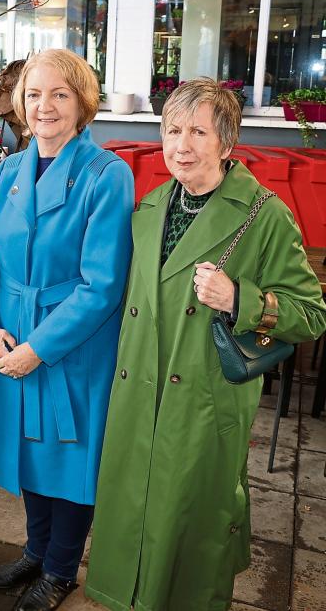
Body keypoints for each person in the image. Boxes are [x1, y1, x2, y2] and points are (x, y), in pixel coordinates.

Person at [85, 78, 326, 611]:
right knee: (132, 522)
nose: (182, 144)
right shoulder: (148, 210)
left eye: (198, 131)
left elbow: (311, 314)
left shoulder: (265, 215)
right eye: (172, 130)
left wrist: (242, 297)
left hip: (202, 400)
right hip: (135, 399)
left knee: (191, 531)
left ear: (226, 141)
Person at [0, 49, 134, 611]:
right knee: (28, 451)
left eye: (60, 94)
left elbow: (102, 286)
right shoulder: (12, 169)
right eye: (35, 94)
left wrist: (40, 349)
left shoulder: (107, 175)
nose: (46, 106)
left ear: (83, 104)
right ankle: (36, 551)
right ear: (21, 103)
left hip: (71, 343)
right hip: (10, 335)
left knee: (69, 457)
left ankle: (61, 568)